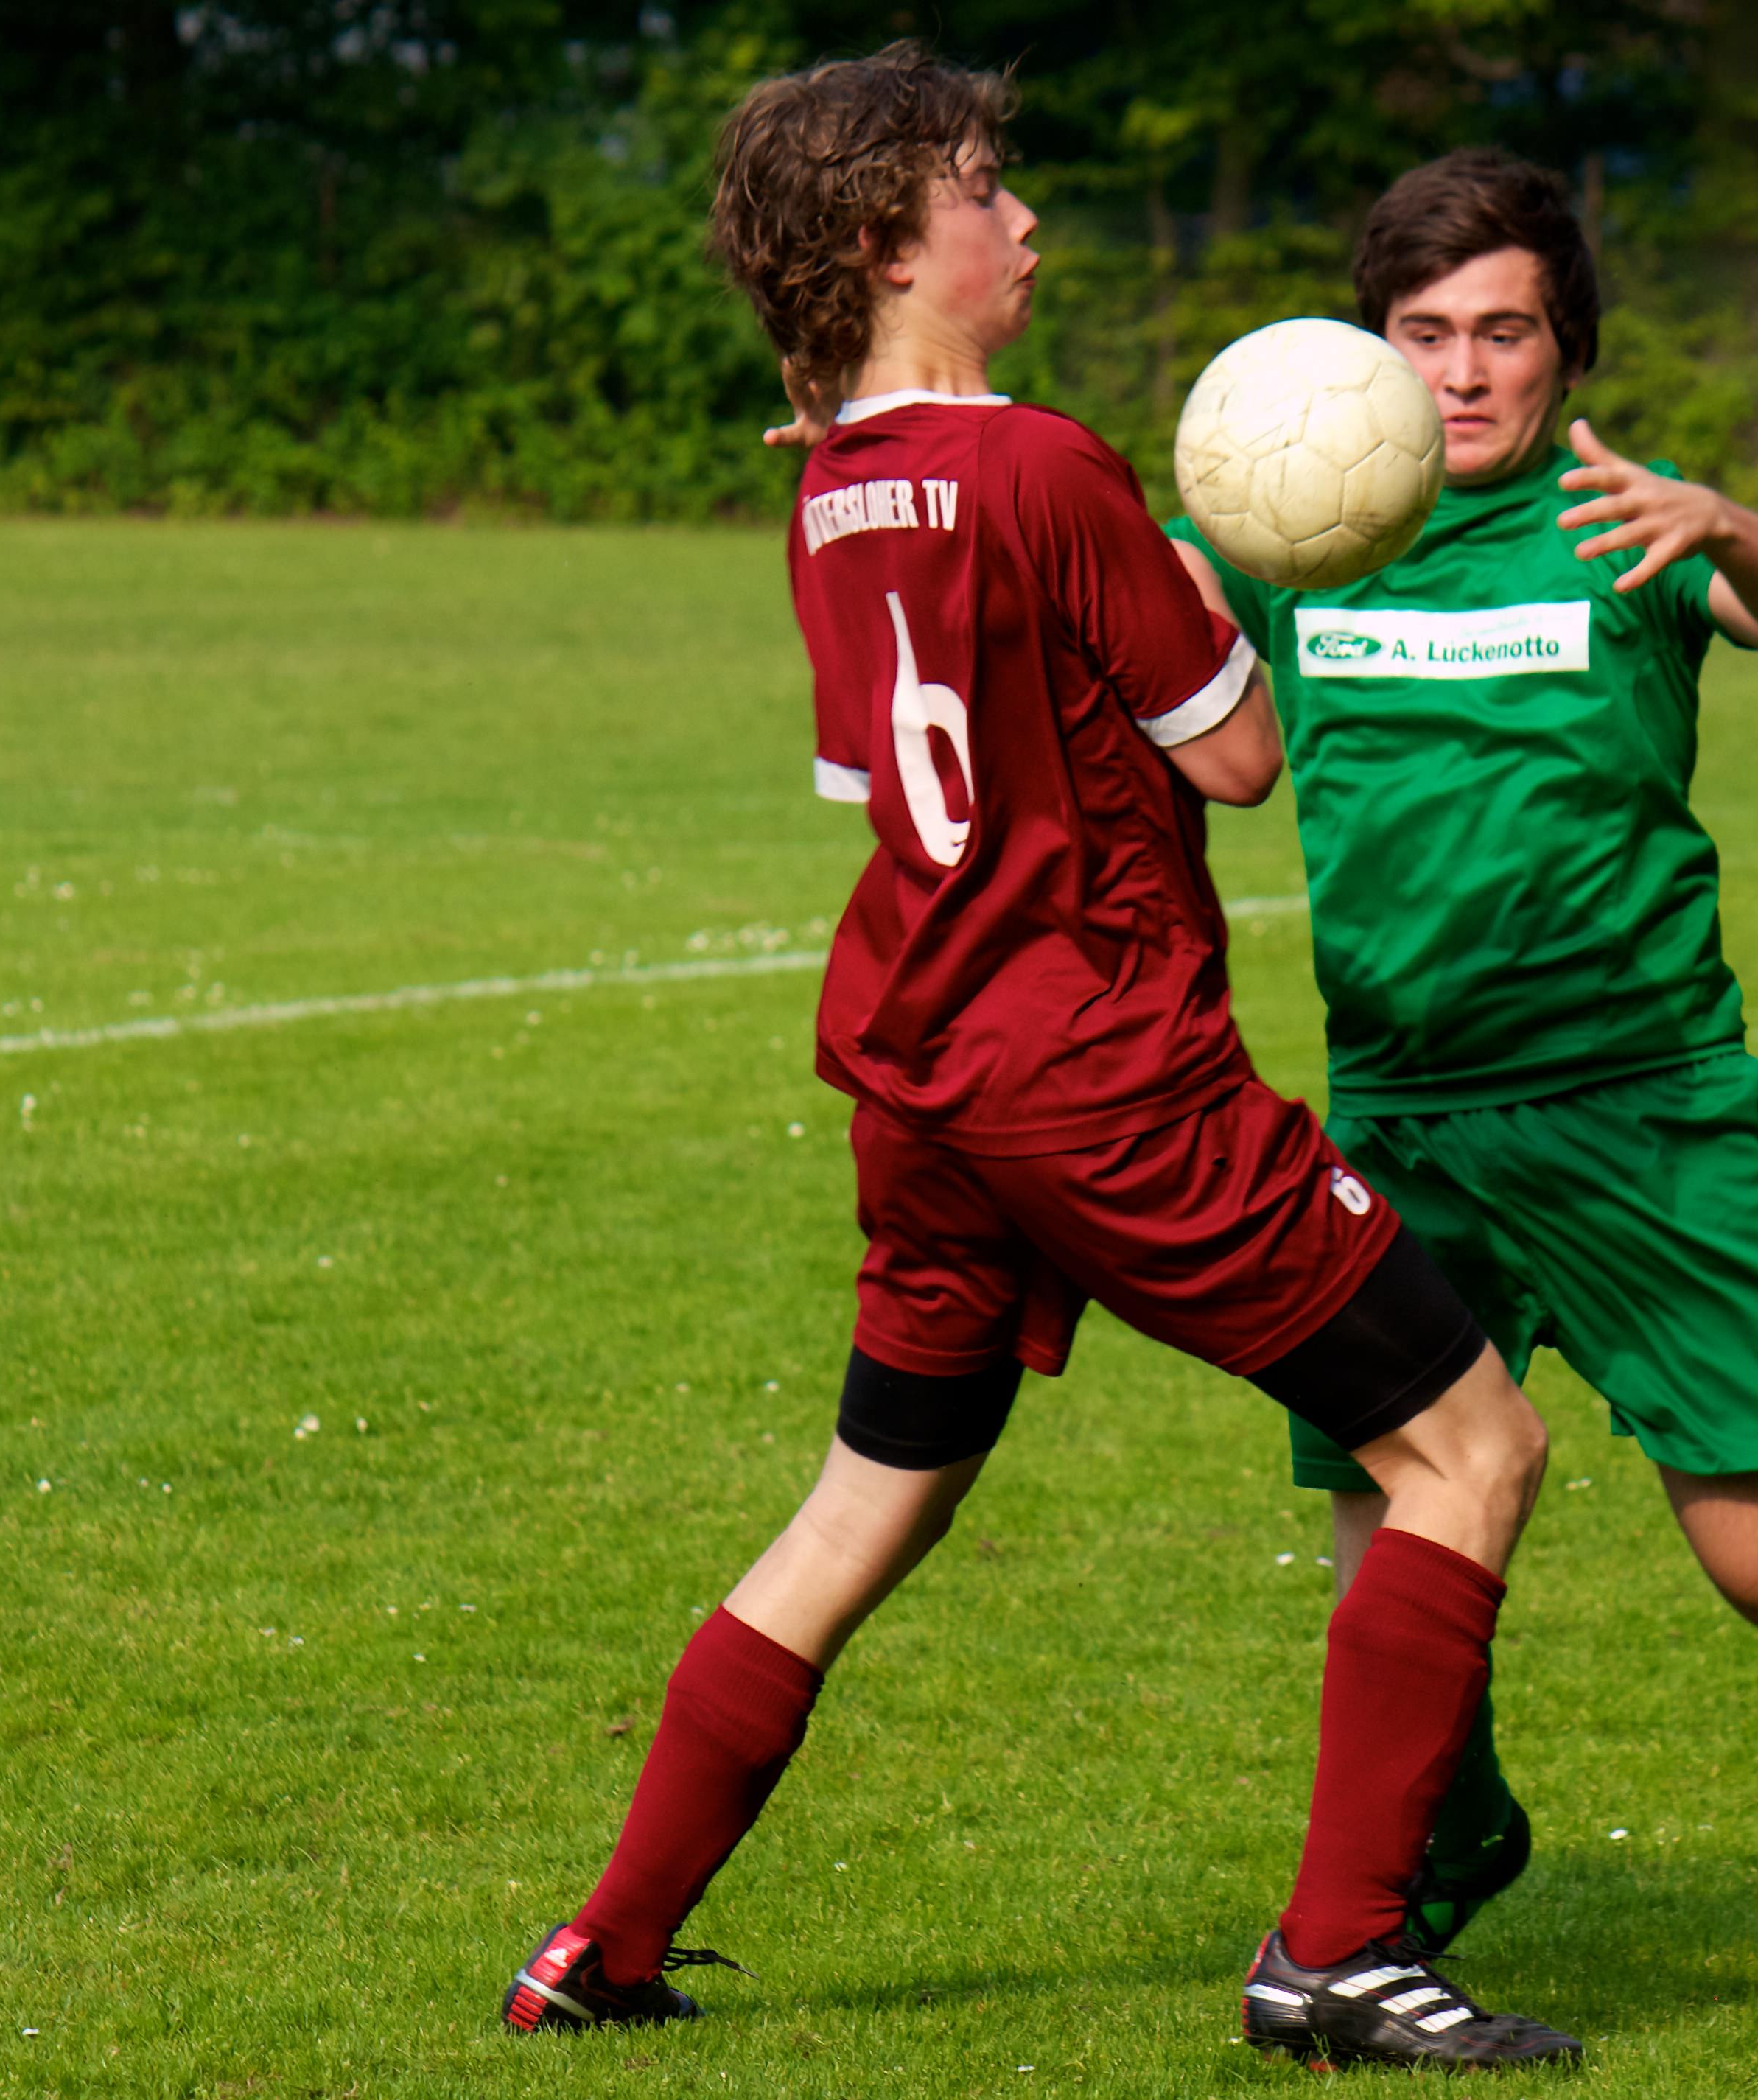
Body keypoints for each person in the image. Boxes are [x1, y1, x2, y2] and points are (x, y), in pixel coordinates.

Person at [502, 48, 1581, 2071]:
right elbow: (1238, 760)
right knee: (1473, 1450)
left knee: (865, 1508)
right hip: (1104, 1086)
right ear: (883, 241)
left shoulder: (825, 487)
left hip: (923, 1082)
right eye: (983, 188)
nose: (1023, 220)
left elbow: (885, 775)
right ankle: (1340, 1952)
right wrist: (1245, 562)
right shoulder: (1047, 469)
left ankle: (599, 1945)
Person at [1166, 147, 1758, 1953]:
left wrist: (1726, 523)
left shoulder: (1624, 526)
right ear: (1370, 350)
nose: (1460, 372)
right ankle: (1449, 1836)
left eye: (1503, 332)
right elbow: (1089, 588)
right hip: (1400, 1129)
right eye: (1423, 331)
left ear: (1567, 353)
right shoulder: (1298, 529)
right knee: (1386, 1568)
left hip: (1642, 1117)